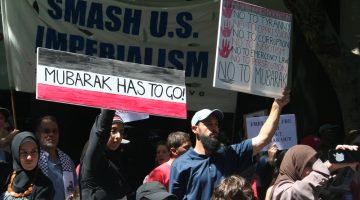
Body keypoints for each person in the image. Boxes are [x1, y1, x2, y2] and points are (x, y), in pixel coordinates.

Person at [169, 88, 290, 199]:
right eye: (209, 124)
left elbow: (263, 138)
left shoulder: (229, 154)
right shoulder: (180, 164)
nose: (215, 128)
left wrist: (277, 105)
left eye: (216, 124)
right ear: (195, 129)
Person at [267, 144, 359, 200]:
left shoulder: (318, 189)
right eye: (308, 165)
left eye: (316, 164)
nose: (314, 169)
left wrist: (349, 164)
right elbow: (295, 195)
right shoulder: (278, 191)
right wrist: (327, 167)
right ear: (295, 167)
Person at [79, 110, 133, 200]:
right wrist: (109, 105)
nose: (118, 136)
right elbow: (100, 133)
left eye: (121, 131)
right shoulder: (92, 160)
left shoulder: (118, 162)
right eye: (113, 130)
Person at [0, 131, 54, 199]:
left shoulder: (44, 185)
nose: (29, 157)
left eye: (33, 152)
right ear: (16, 154)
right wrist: (4, 142)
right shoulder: (5, 174)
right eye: (24, 153)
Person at [35, 116, 77, 200]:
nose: (51, 134)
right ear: (38, 134)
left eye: (55, 131)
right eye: (46, 131)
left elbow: (75, 190)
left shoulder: (67, 160)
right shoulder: (34, 160)